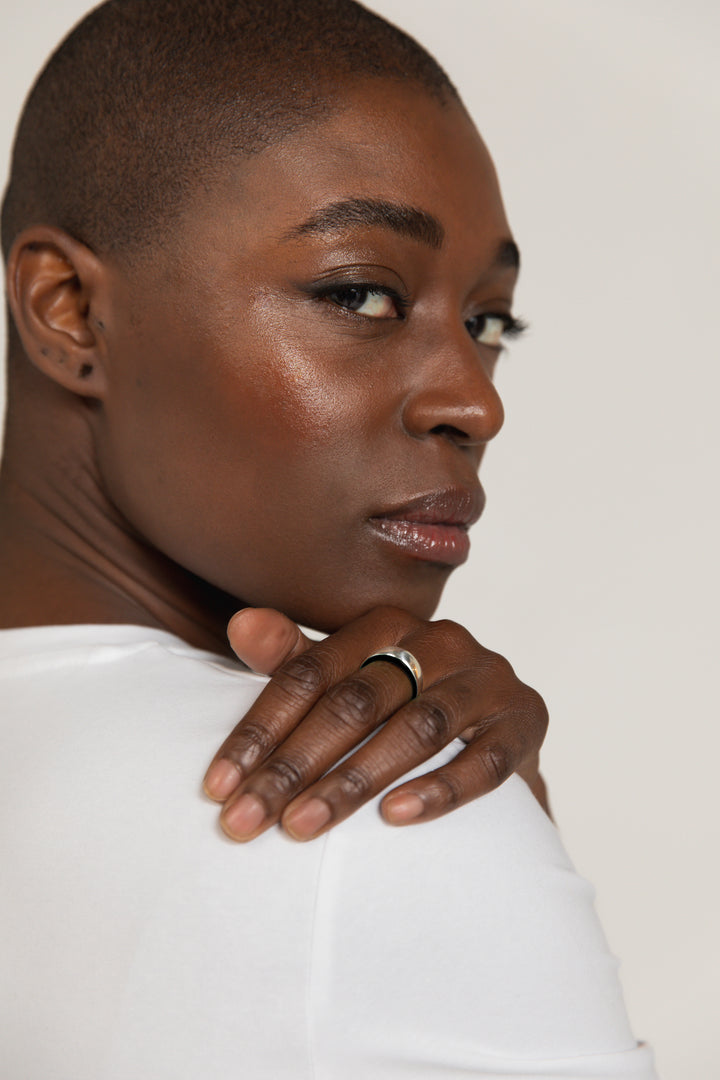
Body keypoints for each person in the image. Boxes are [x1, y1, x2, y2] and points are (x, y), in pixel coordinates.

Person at [0, 1, 657, 1076]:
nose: (475, 403)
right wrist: (499, 856)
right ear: (68, 308)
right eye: (360, 293)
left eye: (489, 322)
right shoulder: (361, 817)